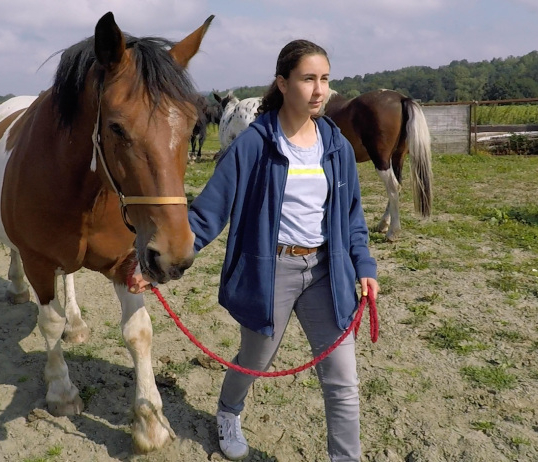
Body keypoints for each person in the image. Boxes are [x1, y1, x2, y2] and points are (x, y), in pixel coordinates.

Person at [130, 39, 379, 461]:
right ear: (282, 83)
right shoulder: (252, 145)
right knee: (254, 360)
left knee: (343, 382)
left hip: (326, 271)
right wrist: (154, 269)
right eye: (308, 79)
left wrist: (364, 266)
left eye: (325, 79)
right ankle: (228, 411)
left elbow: (352, 217)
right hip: (271, 272)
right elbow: (208, 214)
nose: (320, 90)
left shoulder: (336, 145)